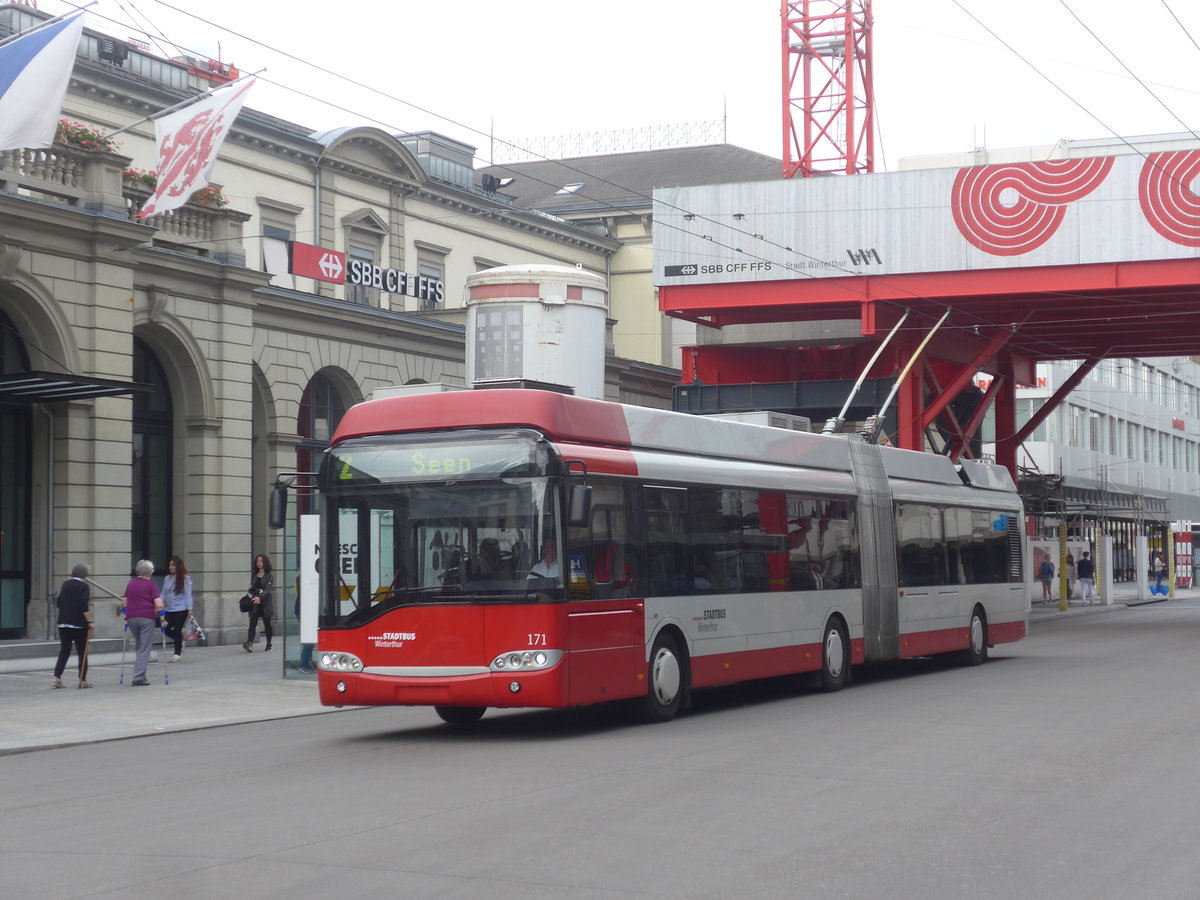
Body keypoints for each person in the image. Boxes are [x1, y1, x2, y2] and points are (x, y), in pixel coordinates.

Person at [52, 563, 95, 689]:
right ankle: (82, 680)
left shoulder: (65, 584)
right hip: (78, 624)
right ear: (85, 574)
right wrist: (90, 622)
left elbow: (59, 602)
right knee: (82, 651)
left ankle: (56, 677)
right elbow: (84, 606)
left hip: (63, 622)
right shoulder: (84, 586)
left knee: (64, 650)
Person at [123, 559, 163, 686]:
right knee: (145, 647)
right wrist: (162, 613)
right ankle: (138, 676)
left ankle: (141, 674)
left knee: (140, 646)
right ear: (149, 573)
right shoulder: (151, 585)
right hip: (146, 617)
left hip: (131, 617)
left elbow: (124, 602)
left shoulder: (131, 583)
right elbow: (158, 603)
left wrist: (126, 612)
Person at [161, 556, 194, 661]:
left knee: (177, 630)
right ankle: (180, 642)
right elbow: (164, 593)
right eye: (170, 565)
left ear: (178, 566)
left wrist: (190, 608)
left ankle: (177, 654)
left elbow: (188, 594)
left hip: (181, 609)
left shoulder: (185, 579)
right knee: (165, 629)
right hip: (169, 609)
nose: (171, 567)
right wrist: (160, 604)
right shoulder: (167, 578)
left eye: (173, 565)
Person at [244, 554, 275, 652]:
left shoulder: (269, 576)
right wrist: (250, 591)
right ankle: (249, 643)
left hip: (265, 603)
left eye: (261, 561)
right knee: (252, 623)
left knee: (267, 623)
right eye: (257, 561)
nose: (259, 563)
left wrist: (259, 597)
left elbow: (267, 590)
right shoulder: (254, 574)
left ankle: (269, 643)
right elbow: (252, 588)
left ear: (265, 562)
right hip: (255, 603)